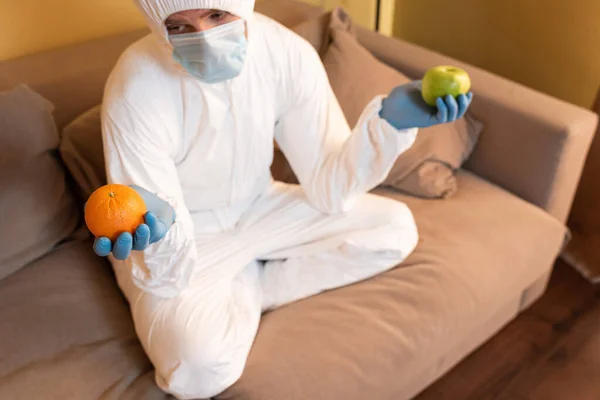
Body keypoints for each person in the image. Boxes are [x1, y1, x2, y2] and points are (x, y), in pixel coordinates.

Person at [97, 0, 473, 398]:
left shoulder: (286, 53)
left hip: (262, 206)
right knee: (197, 371)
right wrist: (159, 230)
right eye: (181, 27)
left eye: (217, 16)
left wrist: (388, 125)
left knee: (394, 228)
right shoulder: (135, 84)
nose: (205, 38)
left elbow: (329, 188)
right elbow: (163, 259)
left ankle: (250, 284)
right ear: (159, 28)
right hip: (188, 236)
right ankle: (246, 278)